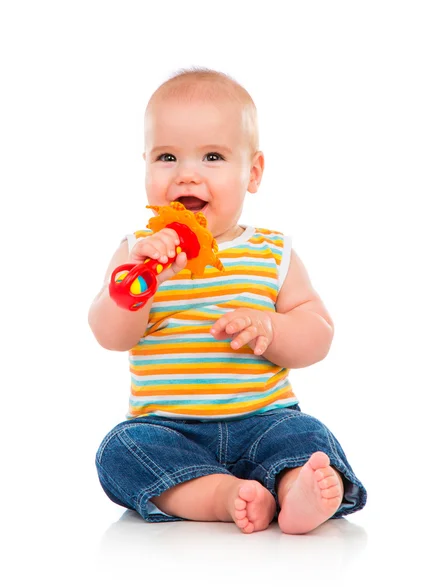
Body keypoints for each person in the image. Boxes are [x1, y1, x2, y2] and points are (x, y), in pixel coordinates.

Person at [89, 67, 367, 534]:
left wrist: (273, 328)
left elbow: (319, 334)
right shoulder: (140, 253)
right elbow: (107, 333)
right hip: (168, 427)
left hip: (264, 419)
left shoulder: (272, 252)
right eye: (167, 157)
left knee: (307, 435)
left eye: (212, 156)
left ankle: (297, 489)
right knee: (121, 450)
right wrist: (136, 287)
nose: (186, 174)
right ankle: (221, 495)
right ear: (145, 165)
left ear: (252, 172)